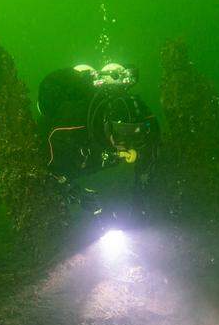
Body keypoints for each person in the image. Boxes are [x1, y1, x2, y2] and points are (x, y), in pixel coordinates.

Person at [36, 63, 160, 215]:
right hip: (71, 140)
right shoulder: (70, 128)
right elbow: (40, 169)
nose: (127, 145)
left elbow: (154, 140)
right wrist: (75, 194)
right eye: (121, 135)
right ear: (107, 125)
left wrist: (142, 183)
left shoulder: (138, 113)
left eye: (134, 134)